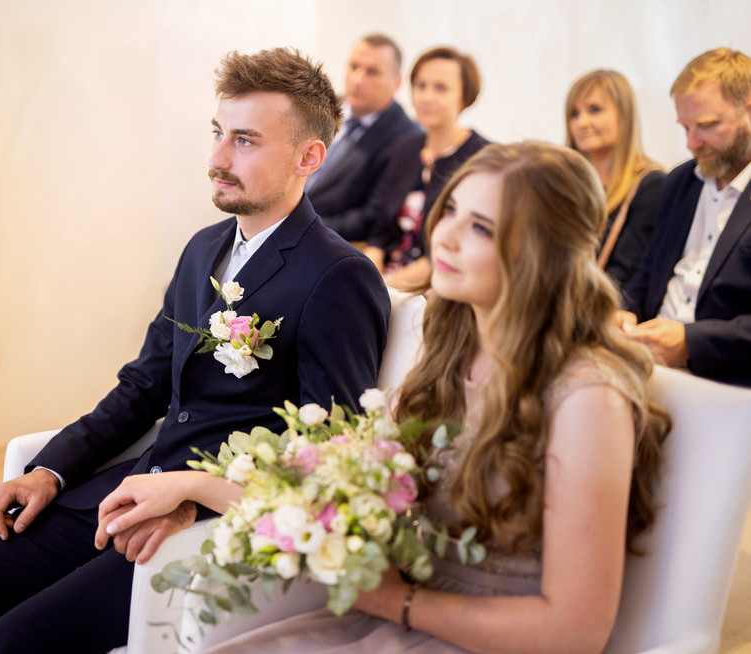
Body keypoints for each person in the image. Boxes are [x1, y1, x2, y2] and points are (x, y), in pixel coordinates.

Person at [0, 47, 391, 654]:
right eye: (218, 133)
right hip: (127, 488)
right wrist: (51, 469)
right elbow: (143, 388)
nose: (216, 159)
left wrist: (192, 497)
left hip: (203, 525)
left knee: (5, 645)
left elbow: (332, 454)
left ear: (307, 157)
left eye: (244, 141)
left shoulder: (338, 276)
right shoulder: (202, 248)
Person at [132, 142, 668, 654]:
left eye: (480, 227)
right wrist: (195, 488)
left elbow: (576, 633)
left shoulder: (587, 396)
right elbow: (325, 490)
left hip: (486, 635)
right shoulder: (447, 352)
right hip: (393, 614)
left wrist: (396, 601)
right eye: (451, 209)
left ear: (544, 256)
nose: (445, 236)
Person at [620, 48, 751, 387]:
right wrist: (624, 311)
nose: (692, 143)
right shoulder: (680, 181)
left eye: (707, 126)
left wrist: (691, 341)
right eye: (685, 127)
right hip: (652, 364)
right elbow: (649, 270)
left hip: (725, 381)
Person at [363, 46, 490, 287]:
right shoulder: (404, 148)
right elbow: (378, 232)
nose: (427, 97)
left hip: (439, 285)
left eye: (441, 88)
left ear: (465, 97)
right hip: (386, 281)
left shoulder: (482, 158)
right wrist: (369, 273)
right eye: (421, 86)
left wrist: (386, 286)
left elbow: (454, 248)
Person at [305, 33, 421, 243]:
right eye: (354, 67)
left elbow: (371, 219)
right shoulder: (324, 109)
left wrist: (300, 225)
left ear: (396, 82)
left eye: (372, 72)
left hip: (323, 241)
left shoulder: (407, 139)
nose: (357, 80)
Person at [565, 69, 666, 288]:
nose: (582, 122)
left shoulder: (650, 184)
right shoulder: (567, 183)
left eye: (594, 110)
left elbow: (627, 275)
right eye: (574, 113)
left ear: (624, 114)